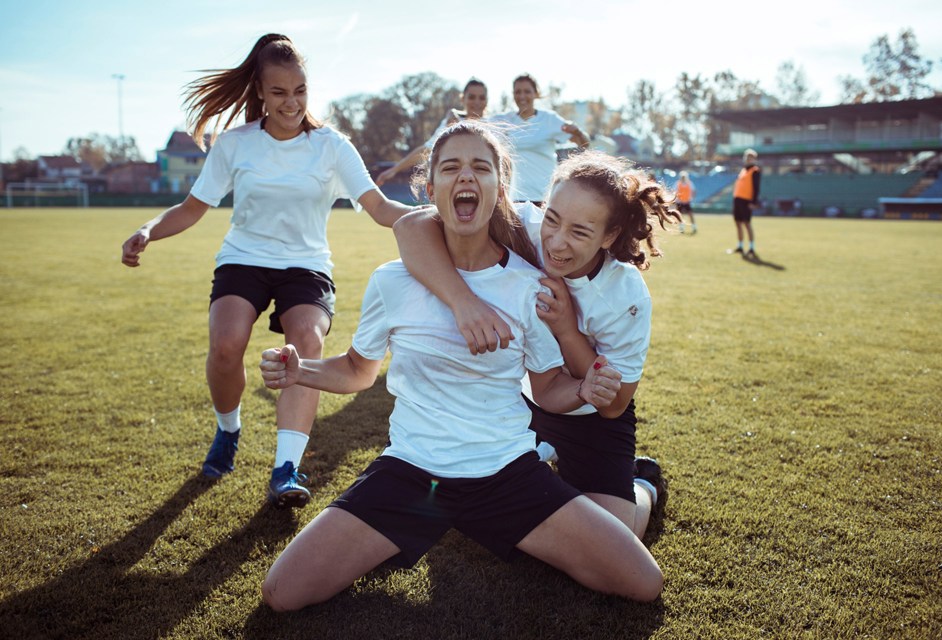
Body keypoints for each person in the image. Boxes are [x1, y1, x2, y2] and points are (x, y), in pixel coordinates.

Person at [257, 122, 663, 611]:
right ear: (431, 190)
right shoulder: (392, 280)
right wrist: (303, 371)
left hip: (508, 474)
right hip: (411, 473)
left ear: (501, 188)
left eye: (480, 167)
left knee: (642, 582)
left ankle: (625, 483)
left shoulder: (534, 286)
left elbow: (557, 388)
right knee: (283, 593)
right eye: (450, 167)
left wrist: (583, 388)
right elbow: (359, 370)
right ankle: (457, 509)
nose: (465, 176)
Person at [120, 34, 418, 509]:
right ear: (260, 92)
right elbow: (192, 208)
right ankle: (228, 430)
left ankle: (285, 467)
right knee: (226, 345)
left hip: (306, 266)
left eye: (300, 90)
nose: (292, 102)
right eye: (279, 92)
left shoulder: (331, 147)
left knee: (307, 342)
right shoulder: (236, 145)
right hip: (244, 259)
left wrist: (433, 219)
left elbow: (380, 207)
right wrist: (148, 230)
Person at [394, 150, 681, 541]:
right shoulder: (524, 228)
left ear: (609, 236)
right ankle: (540, 452)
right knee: (477, 513)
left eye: (580, 232)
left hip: (589, 419)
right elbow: (411, 226)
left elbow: (613, 405)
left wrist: (566, 330)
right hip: (520, 401)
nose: (557, 243)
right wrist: (464, 302)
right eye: (553, 219)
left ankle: (643, 483)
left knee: (613, 537)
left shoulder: (626, 295)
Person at [489, 74, 590, 205]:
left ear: (536, 93)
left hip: (544, 196)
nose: (522, 96)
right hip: (513, 197)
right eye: (517, 92)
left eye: (527, 91)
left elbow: (584, 144)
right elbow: (474, 122)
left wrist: (578, 132)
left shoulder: (549, 119)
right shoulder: (504, 120)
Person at [375, 78, 489, 186]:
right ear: (462, 98)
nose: (477, 102)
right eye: (472, 97)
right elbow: (428, 149)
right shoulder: (451, 121)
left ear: (487, 100)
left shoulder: (495, 124)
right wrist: (394, 170)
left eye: (482, 97)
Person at [730, 149, 761, 257]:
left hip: (746, 201)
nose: (748, 159)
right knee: (738, 223)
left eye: (750, 157)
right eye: (747, 157)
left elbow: (756, 188)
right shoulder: (743, 170)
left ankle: (751, 247)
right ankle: (740, 246)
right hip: (737, 200)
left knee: (747, 224)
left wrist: (753, 202)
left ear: (754, 159)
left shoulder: (755, 170)